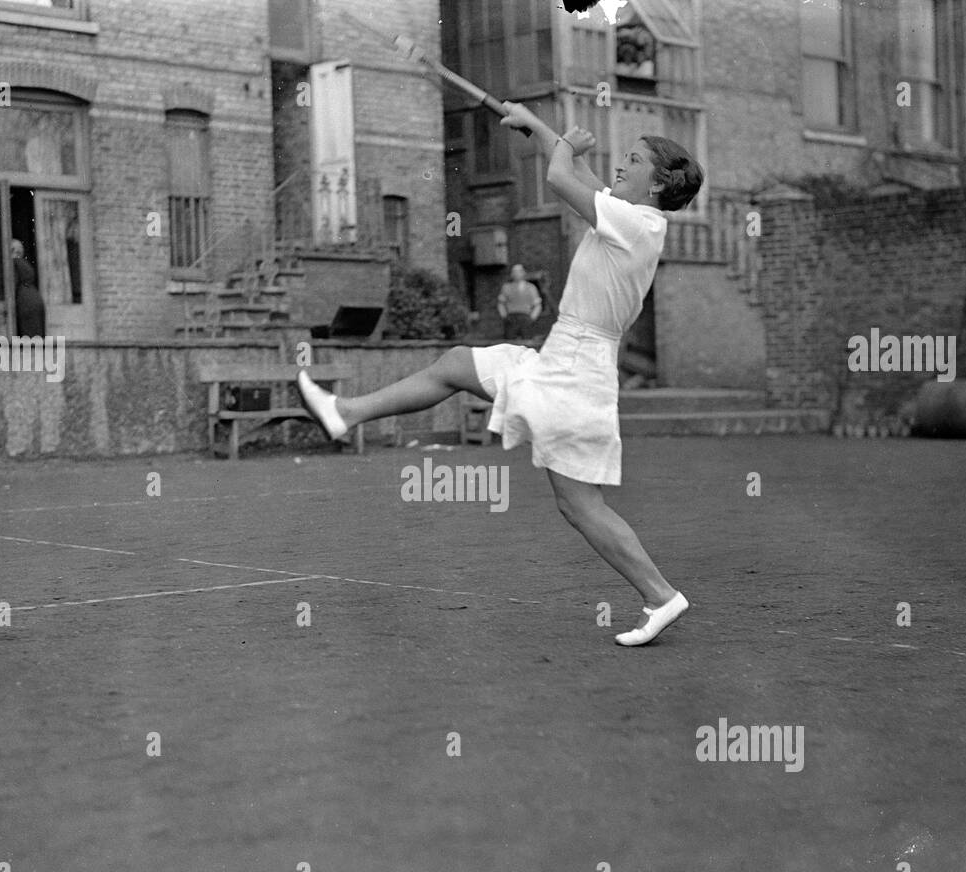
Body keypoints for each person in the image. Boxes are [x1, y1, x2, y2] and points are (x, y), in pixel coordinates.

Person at [298, 104, 703, 647]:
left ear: (655, 186)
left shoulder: (638, 222)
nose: (620, 166)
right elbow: (581, 173)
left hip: (577, 373)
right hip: (563, 355)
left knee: (580, 505)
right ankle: (344, 413)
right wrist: (537, 126)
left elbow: (563, 175)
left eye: (632, 161)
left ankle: (660, 594)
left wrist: (561, 147)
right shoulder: (630, 214)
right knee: (456, 364)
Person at [11, 238, 46, 338]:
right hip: (35, 299)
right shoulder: (25, 265)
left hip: (25, 303)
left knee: (29, 338)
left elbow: (12, 285)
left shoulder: (14, 264)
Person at [497, 263, 542, 340]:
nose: (516, 274)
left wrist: (532, 318)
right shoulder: (506, 287)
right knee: (510, 343)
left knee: (527, 341)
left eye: (519, 271)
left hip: (525, 317)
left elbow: (537, 305)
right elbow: (501, 304)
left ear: (524, 273)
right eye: (514, 272)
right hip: (511, 318)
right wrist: (504, 316)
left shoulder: (531, 288)